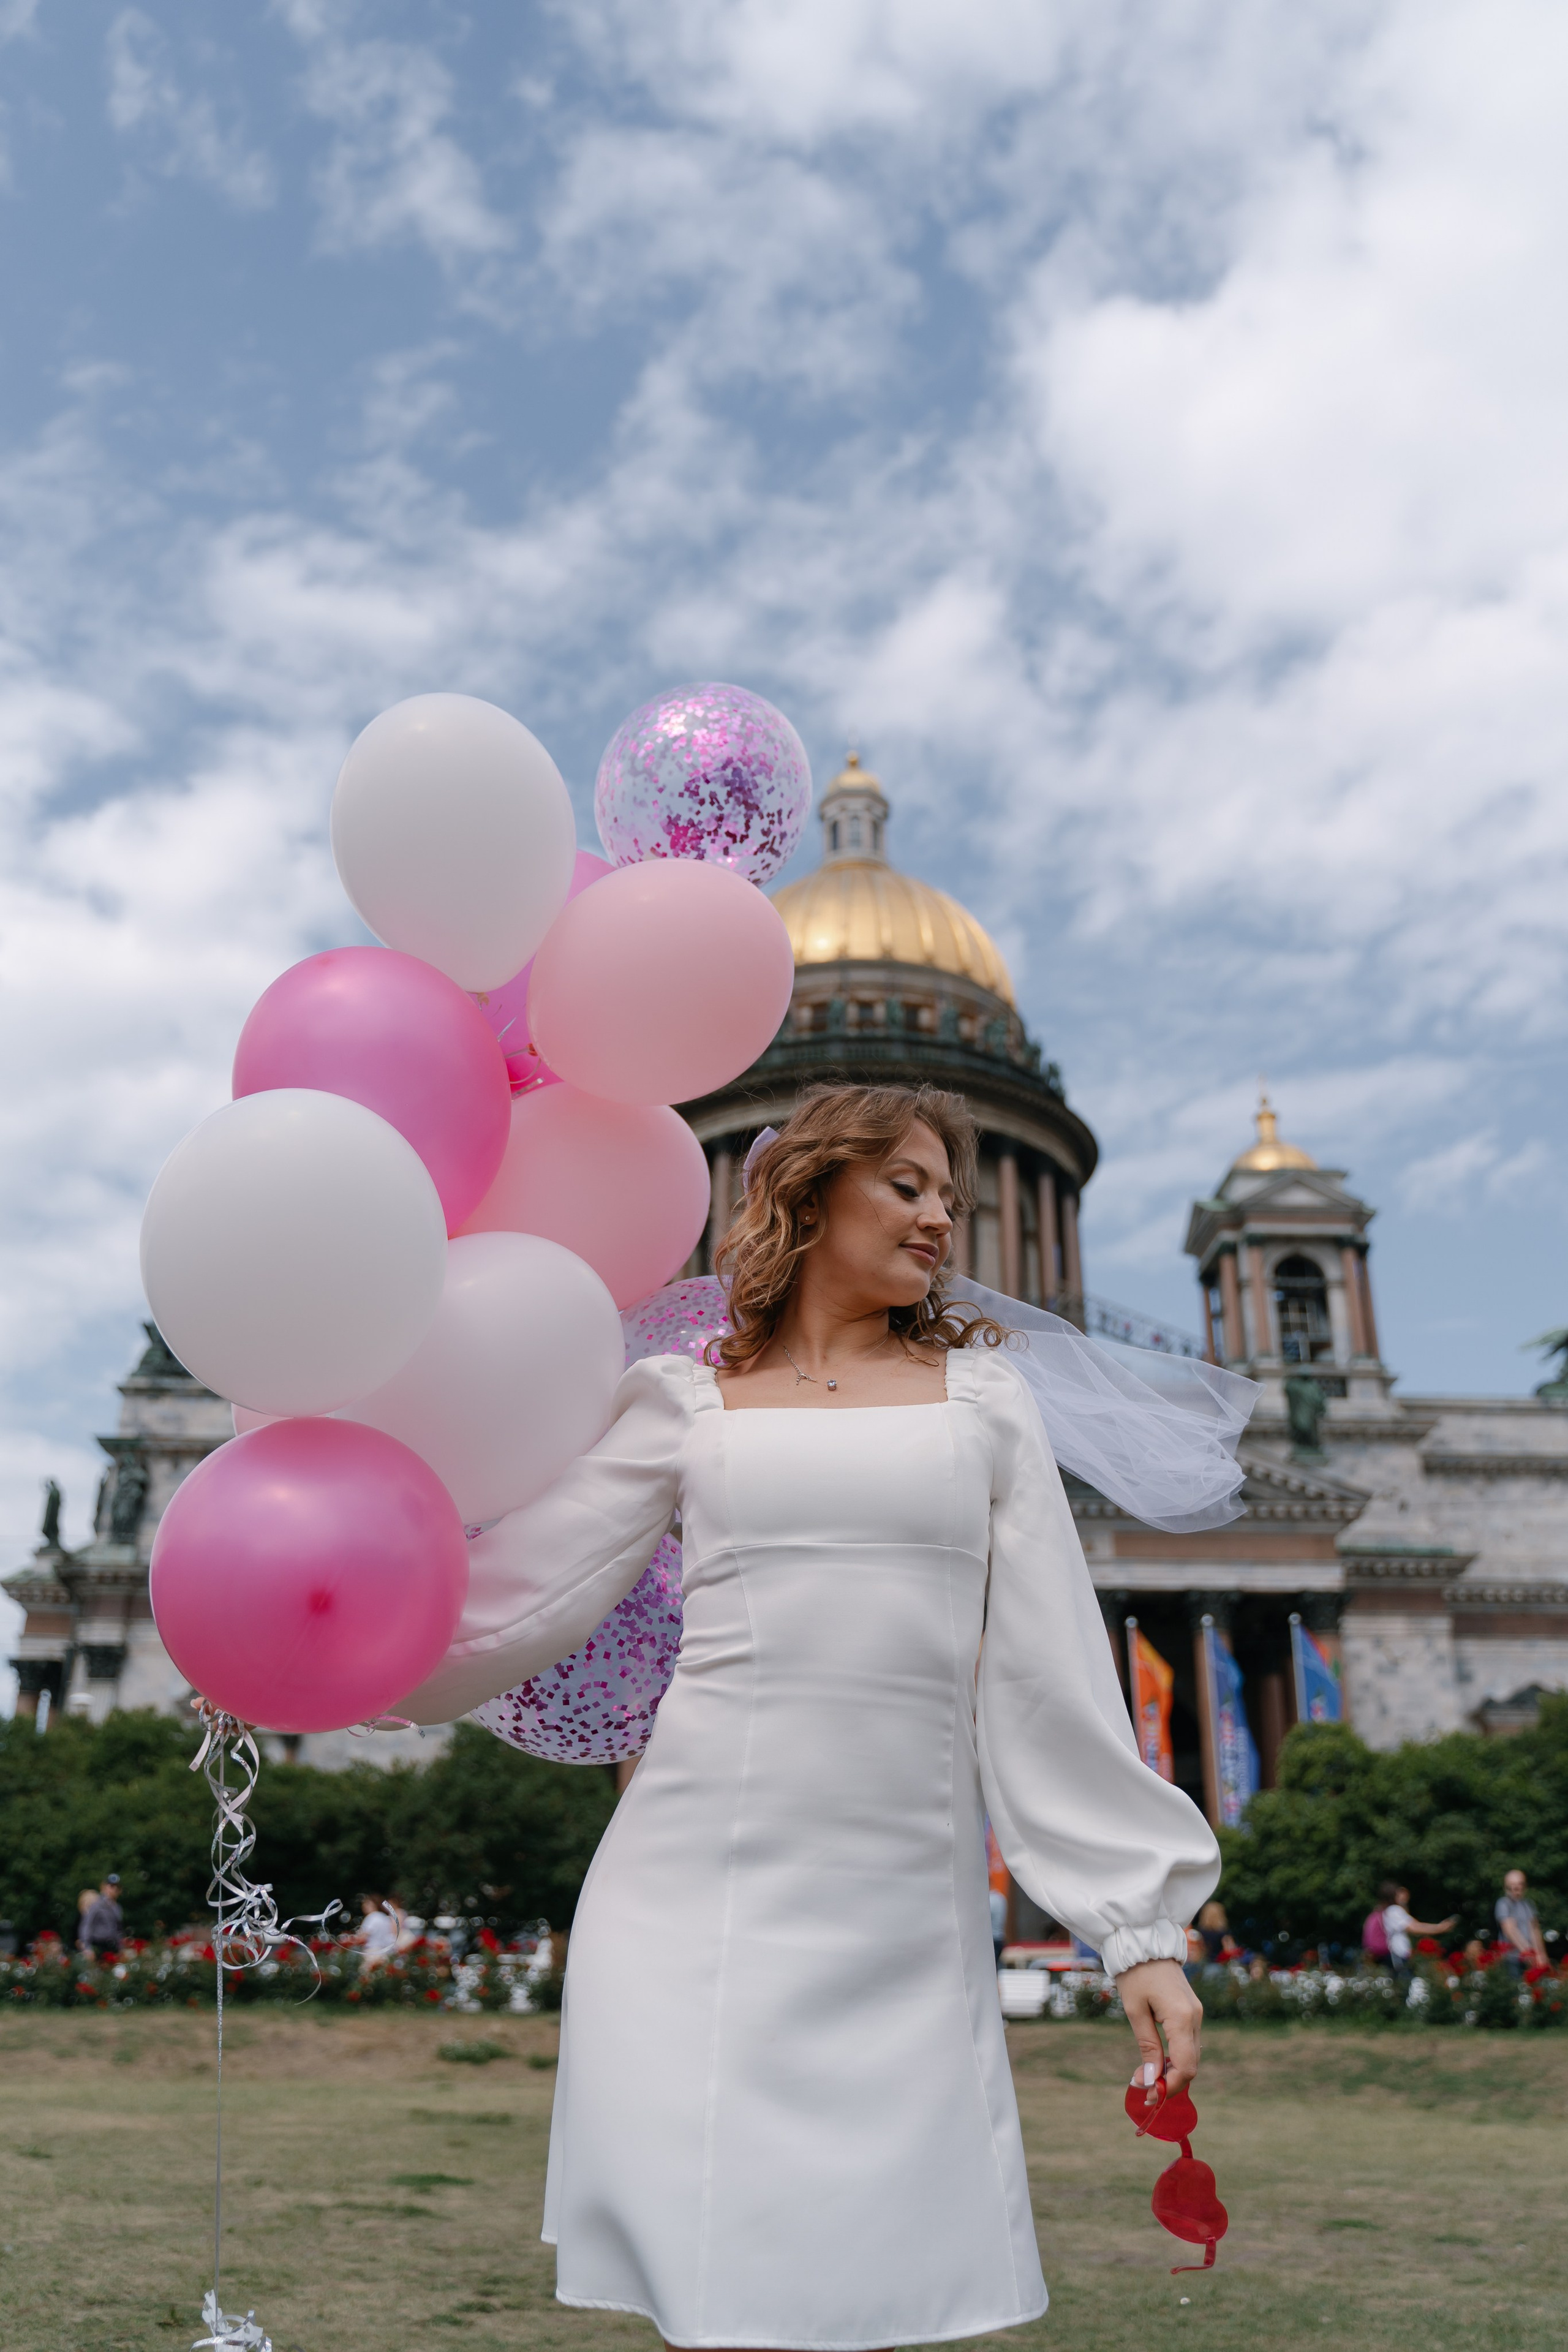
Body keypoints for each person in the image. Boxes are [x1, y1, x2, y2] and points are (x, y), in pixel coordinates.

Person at [400, 1083, 1219, 2351]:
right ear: (807, 1189)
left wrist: (1135, 1929)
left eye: (950, 1191)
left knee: (891, 2287)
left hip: (899, 1912)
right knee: (718, 2288)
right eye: (907, 1185)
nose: (941, 1216)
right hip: (690, 1900)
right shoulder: (682, 1400)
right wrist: (343, 1645)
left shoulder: (985, 1402)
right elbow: (515, 1609)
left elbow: (1049, 1681)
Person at [1377, 1880, 1455, 1985]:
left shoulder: (1392, 1911)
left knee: (1404, 1984)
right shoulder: (1393, 1910)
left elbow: (1412, 1923)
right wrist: (1440, 1928)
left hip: (1400, 1955)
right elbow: (1415, 1927)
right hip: (1398, 1955)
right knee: (1404, 1985)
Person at [1495, 1869, 1548, 1973]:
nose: (1516, 1888)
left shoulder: (1528, 1904)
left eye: (1520, 1884)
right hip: (1512, 1959)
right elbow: (1510, 1930)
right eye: (1513, 1885)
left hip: (1530, 1959)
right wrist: (1528, 1953)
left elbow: (1535, 1930)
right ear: (1507, 1886)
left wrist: (1541, 1954)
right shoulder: (1504, 1903)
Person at [80, 1874, 123, 1959]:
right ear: (104, 1887)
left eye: (117, 1887)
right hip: (99, 1944)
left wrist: (121, 1946)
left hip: (113, 1945)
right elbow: (87, 1925)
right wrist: (87, 1946)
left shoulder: (117, 1907)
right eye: (111, 1886)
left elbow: (119, 1929)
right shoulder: (97, 1905)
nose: (114, 1889)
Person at [354, 1893, 398, 1972]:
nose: (364, 1906)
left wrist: (350, 1940)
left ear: (375, 1904)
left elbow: (363, 1938)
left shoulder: (372, 1917)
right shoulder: (385, 1918)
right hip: (385, 1953)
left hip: (371, 1953)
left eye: (367, 1904)